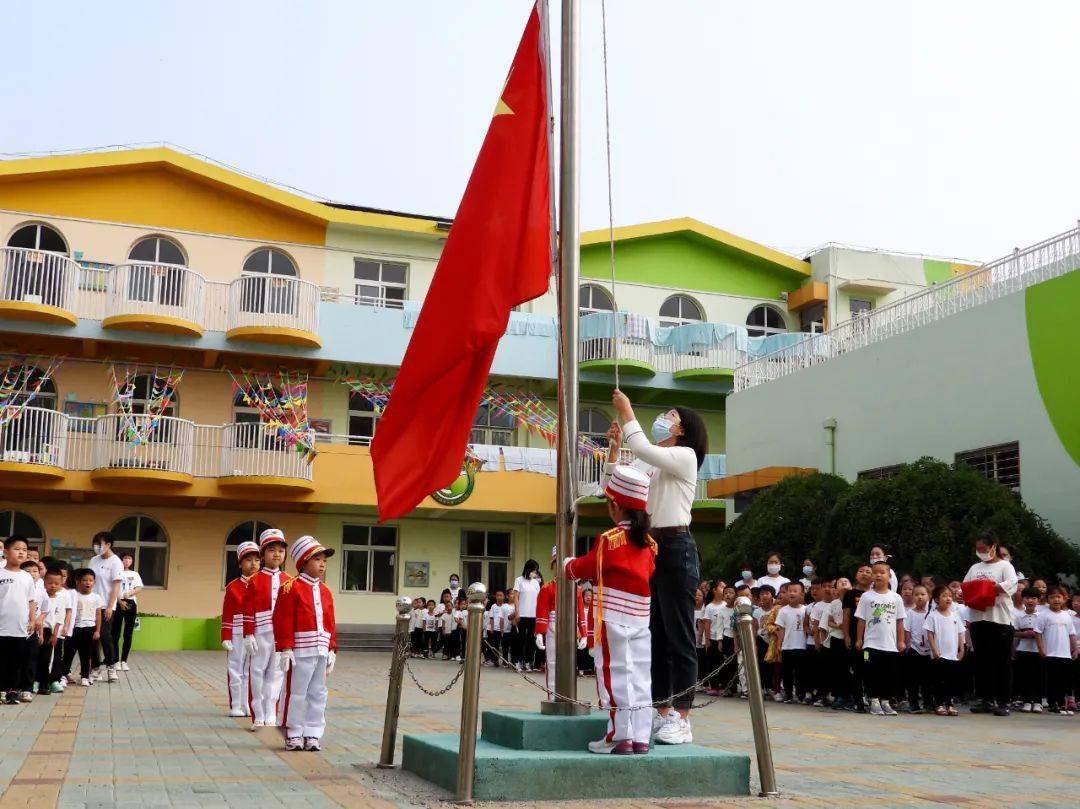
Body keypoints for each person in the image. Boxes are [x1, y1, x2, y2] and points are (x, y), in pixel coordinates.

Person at [609, 390, 706, 746]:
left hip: (677, 545)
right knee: (657, 634)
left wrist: (627, 410)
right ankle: (660, 710)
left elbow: (645, 448)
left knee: (679, 634)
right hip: (651, 547)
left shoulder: (684, 456)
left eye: (671, 415)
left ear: (683, 429)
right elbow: (619, 484)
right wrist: (616, 451)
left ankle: (682, 717)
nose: (664, 417)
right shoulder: (655, 462)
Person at [565, 464, 657, 755]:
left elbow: (587, 566)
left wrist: (567, 565)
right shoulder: (651, 544)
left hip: (613, 616)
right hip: (641, 617)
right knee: (641, 676)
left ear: (616, 506)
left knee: (614, 673)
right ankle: (640, 737)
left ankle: (619, 737)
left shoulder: (609, 539)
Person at [275, 536, 337, 751]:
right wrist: (285, 647)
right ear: (303, 562)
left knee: (319, 692)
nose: (322, 564)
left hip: (321, 649)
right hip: (299, 651)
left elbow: (330, 622)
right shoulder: (289, 588)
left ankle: (312, 732)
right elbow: (282, 619)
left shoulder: (326, 591)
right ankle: (293, 732)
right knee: (296, 691)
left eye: (324, 560)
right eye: (317, 559)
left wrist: (332, 649)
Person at [962, 531, 1018, 716]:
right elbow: (965, 587)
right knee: (982, 662)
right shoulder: (974, 568)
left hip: (1000, 620)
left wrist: (994, 587)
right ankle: (985, 699)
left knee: (1002, 662)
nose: (981, 552)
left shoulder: (1005, 566)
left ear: (993, 546)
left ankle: (1004, 701)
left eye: (984, 549)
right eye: (978, 550)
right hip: (979, 619)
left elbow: (1012, 583)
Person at [243, 528, 292, 729]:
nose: (277, 554)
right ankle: (258, 715)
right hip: (260, 633)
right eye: (272, 550)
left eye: (281, 550)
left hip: (280, 636)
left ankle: (271, 713)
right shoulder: (253, 580)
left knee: (276, 674)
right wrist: (248, 634)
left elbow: (291, 611)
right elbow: (247, 608)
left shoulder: (289, 581)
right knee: (256, 672)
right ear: (263, 555)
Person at [534, 546, 587, 700]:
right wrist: (539, 633)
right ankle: (552, 697)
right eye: (557, 563)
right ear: (552, 566)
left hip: (570, 628)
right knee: (552, 663)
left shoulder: (577, 590)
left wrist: (583, 634)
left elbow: (580, 613)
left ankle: (569, 697)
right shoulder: (546, 588)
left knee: (570, 665)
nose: (561, 568)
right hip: (552, 627)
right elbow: (541, 612)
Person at [855, 560, 906, 716]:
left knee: (888, 674)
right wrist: (859, 639)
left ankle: (885, 701)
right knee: (871, 672)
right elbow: (861, 619)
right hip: (871, 644)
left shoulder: (896, 598)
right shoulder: (866, 597)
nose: (878, 575)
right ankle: (874, 700)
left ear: (889, 576)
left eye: (882, 572)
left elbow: (900, 621)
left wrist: (901, 640)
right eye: (875, 572)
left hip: (890, 645)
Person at [221, 540, 260, 718]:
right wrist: (226, 636)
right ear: (240, 563)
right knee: (235, 668)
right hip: (237, 632)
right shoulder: (232, 587)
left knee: (252, 670)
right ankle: (236, 704)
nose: (253, 564)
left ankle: (248, 705)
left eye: (257, 560)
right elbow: (227, 613)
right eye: (248, 560)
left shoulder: (264, 584)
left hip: (258, 633)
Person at [0, 537, 36, 704]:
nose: (21, 552)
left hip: (19, 628)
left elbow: (31, 601)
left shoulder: (27, 577)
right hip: (2, 627)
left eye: (24, 549)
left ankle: (13, 691)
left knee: (16, 662)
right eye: (17, 548)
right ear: (6, 552)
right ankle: (1, 690)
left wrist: (32, 620)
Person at [1036, 586, 1078, 715]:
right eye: (1053, 597)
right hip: (1050, 653)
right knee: (1052, 679)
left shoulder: (1067, 616)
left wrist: (1074, 649)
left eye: (1059, 597)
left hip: (1064, 654)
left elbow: (1072, 634)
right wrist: (1041, 649)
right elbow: (1037, 633)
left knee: (1063, 679)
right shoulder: (1043, 615)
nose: (1056, 600)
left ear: (1064, 599)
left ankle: (1061, 703)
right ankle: (1052, 703)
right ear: (1048, 599)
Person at [88, 531, 123, 683]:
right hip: (92, 605)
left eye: (100, 544)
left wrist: (110, 606)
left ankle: (111, 666)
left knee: (105, 636)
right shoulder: (93, 560)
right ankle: (95, 668)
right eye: (95, 544)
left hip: (106, 606)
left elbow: (116, 585)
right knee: (93, 636)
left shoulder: (116, 562)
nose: (97, 547)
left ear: (108, 544)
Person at [925, 585, 966, 716]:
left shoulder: (955, 615)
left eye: (949, 596)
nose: (948, 598)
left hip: (953, 655)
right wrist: (935, 650)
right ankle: (939, 703)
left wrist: (962, 649)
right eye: (944, 596)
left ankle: (950, 703)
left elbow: (961, 633)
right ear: (936, 599)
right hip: (940, 655)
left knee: (951, 680)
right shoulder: (933, 616)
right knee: (939, 680)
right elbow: (930, 634)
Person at [774, 581, 808, 704]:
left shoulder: (806, 610)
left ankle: (801, 694)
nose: (792, 593)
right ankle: (788, 694)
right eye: (790, 591)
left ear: (802, 594)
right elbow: (781, 629)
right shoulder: (783, 611)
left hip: (801, 646)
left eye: (795, 591)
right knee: (787, 672)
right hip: (787, 646)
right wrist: (779, 644)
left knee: (801, 672)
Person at [36, 567, 67, 696]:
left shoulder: (60, 599)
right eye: (50, 583)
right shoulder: (40, 596)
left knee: (47, 659)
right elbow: (38, 615)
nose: (53, 586)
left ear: (61, 584)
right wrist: (40, 633)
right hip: (39, 630)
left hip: (51, 632)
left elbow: (59, 619)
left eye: (56, 583)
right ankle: (35, 681)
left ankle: (45, 684)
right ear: (44, 583)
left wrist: (55, 635)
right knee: (35, 657)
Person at [1012, 586, 1044, 713]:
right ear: (1023, 599)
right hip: (1023, 649)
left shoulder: (1042, 616)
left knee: (1039, 676)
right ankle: (1026, 701)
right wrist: (1024, 634)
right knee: (1025, 676)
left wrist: (1036, 635)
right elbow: (1013, 632)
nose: (1030, 601)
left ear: (1038, 600)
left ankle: (1037, 701)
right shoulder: (1018, 616)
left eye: (1033, 598)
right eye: (1027, 598)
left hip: (1038, 649)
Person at [70, 569, 104, 688]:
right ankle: (64, 675)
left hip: (90, 628)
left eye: (90, 580)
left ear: (94, 582)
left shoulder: (96, 597)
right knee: (70, 652)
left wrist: (98, 630)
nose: (87, 583)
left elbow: (98, 615)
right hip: (75, 628)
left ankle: (85, 676)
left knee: (86, 654)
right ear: (78, 582)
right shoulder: (74, 596)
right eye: (84, 580)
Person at [903, 584, 932, 713]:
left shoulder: (931, 614)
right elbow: (907, 630)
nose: (919, 597)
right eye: (916, 594)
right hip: (914, 649)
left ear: (929, 597)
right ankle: (913, 703)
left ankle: (928, 702)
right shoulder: (910, 613)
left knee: (928, 679)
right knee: (913, 679)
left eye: (923, 594)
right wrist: (908, 644)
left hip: (929, 650)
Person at [112, 553, 143, 672]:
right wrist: (119, 601)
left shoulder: (134, 574)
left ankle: (124, 660)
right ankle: (115, 661)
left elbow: (139, 588)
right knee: (116, 633)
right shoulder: (117, 572)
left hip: (131, 602)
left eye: (129, 558)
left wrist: (130, 593)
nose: (127, 560)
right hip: (118, 603)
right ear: (121, 560)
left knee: (128, 633)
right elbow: (112, 589)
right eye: (125, 558)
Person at [512, 559, 542, 672]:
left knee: (530, 639)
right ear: (528, 569)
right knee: (521, 639)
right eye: (534, 570)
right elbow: (516, 597)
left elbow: (539, 599)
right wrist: (517, 612)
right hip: (522, 614)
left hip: (533, 615)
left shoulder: (535, 582)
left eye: (536, 571)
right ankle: (517, 661)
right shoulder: (519, 580)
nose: (535, 572)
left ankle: (529, 662)